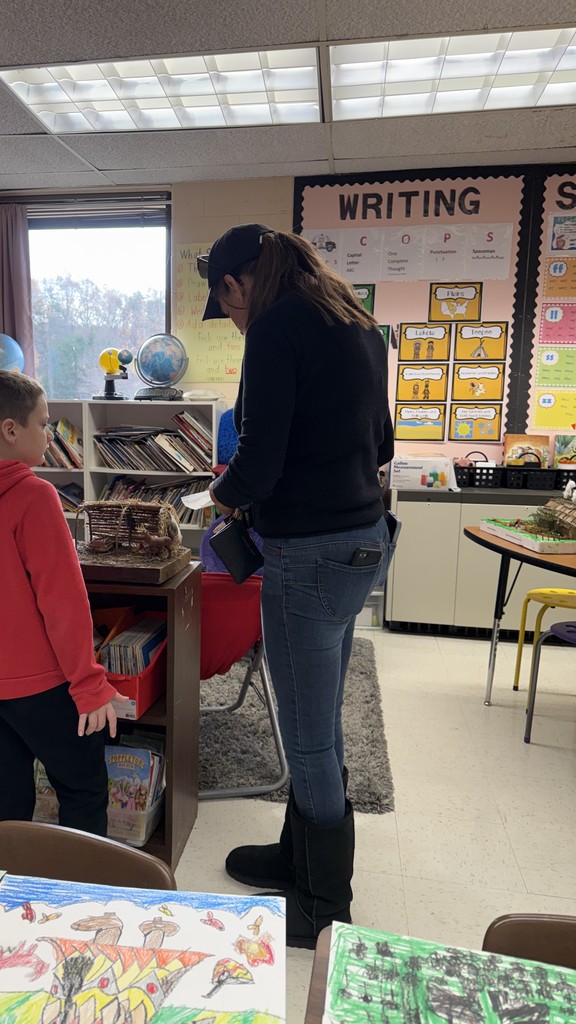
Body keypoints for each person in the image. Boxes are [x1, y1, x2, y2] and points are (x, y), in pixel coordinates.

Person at [198, 224, 396, 948]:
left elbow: (259, 460)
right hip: (364, 542)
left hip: (308, 553)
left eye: (230, 305)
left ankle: (321, 907)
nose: (236, 318)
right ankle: (294, 858)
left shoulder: (278, 326)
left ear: (237, 284)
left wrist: (211, 500)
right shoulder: (355, 320)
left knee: (309, 736)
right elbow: (382, 443)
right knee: (319, 717)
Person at [0, 370, 126, 835]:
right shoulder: (34, 495)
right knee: (82, 787)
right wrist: (88, 683)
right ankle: (79, 896)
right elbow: (64, 601)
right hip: (40, 683)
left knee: (5, 790)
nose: (50, 434)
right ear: (10, 431)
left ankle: (5, 888)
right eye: (44, 423)